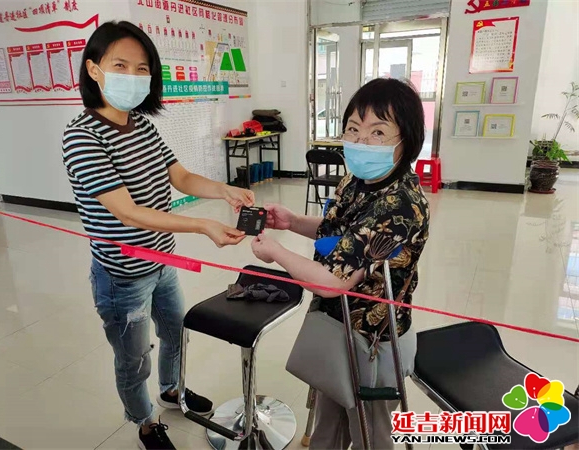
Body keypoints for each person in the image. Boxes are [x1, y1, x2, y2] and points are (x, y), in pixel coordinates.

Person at [62, 21, 254, 450]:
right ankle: (145, 422)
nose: (132, 76)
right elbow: (127, 212)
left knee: (175, 332)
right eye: (120, 65)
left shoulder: (143, 126)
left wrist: (223, 189)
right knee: (134, 358)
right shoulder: (82, 136)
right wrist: (203, 225)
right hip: (122, 276)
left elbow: (180, 177)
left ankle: (172, 390)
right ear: (94, 69)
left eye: (142, 68)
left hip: (162, 262)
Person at [251, 78, 430, 449]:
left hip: (372, 337)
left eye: (378, 132)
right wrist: (292, 222)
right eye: (353, 128)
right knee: (330, 420)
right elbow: (340, 233)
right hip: (338, 327)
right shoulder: (357, 179)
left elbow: (333, 281)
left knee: (369, 431)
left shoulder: (400, 203)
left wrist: (277, 252)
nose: (361, 141)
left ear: (407, 140)